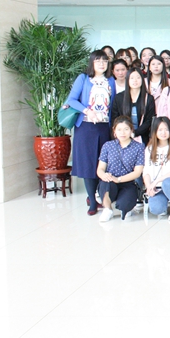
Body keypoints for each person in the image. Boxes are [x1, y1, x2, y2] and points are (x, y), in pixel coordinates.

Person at [66, 50, 117, 215]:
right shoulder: (83, 78)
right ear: (92, 63)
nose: (101, 64)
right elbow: (71, 100)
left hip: (104, 127)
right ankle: (92, 201)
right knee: (88, 164)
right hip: (86, 127)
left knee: (102, 162)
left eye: (104, 61)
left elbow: (113, 104)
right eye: (98, 61)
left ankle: (100, 195)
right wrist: (87, 111)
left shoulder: (111, 80)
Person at [96, 116, 145, 222]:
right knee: (105, 184)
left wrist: (118, 179)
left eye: (126, 129)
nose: (122, 133)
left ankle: (126, 207)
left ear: (131, 130)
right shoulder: (108, 146)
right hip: (110, 181)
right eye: (119, 129)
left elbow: (137, 172)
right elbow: (100, 168)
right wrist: (104, 175)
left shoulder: (139, 147)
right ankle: (107, 209)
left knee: (125, 206)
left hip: (128, 183)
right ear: (114, 131)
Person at [143, 117, 170, 221]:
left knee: (167, 182)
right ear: (154, 131)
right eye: (160, 130)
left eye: (166, 129)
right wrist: (149, 186)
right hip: (158, 188)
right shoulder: (149, 149)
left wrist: (157, 181)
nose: (163, 133)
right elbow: (146, 171)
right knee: (156, 209)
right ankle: (164, 203)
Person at [112, 68, 155, 145]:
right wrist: (125, 133)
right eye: (132, 78)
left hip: (142, 138)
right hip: (122, 137)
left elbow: (149, 120)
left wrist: (135, 133)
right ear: (127, 80)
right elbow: (115, 118)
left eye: (138, 78)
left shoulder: (149, 98)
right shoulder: (119, 97)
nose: (135, 80)